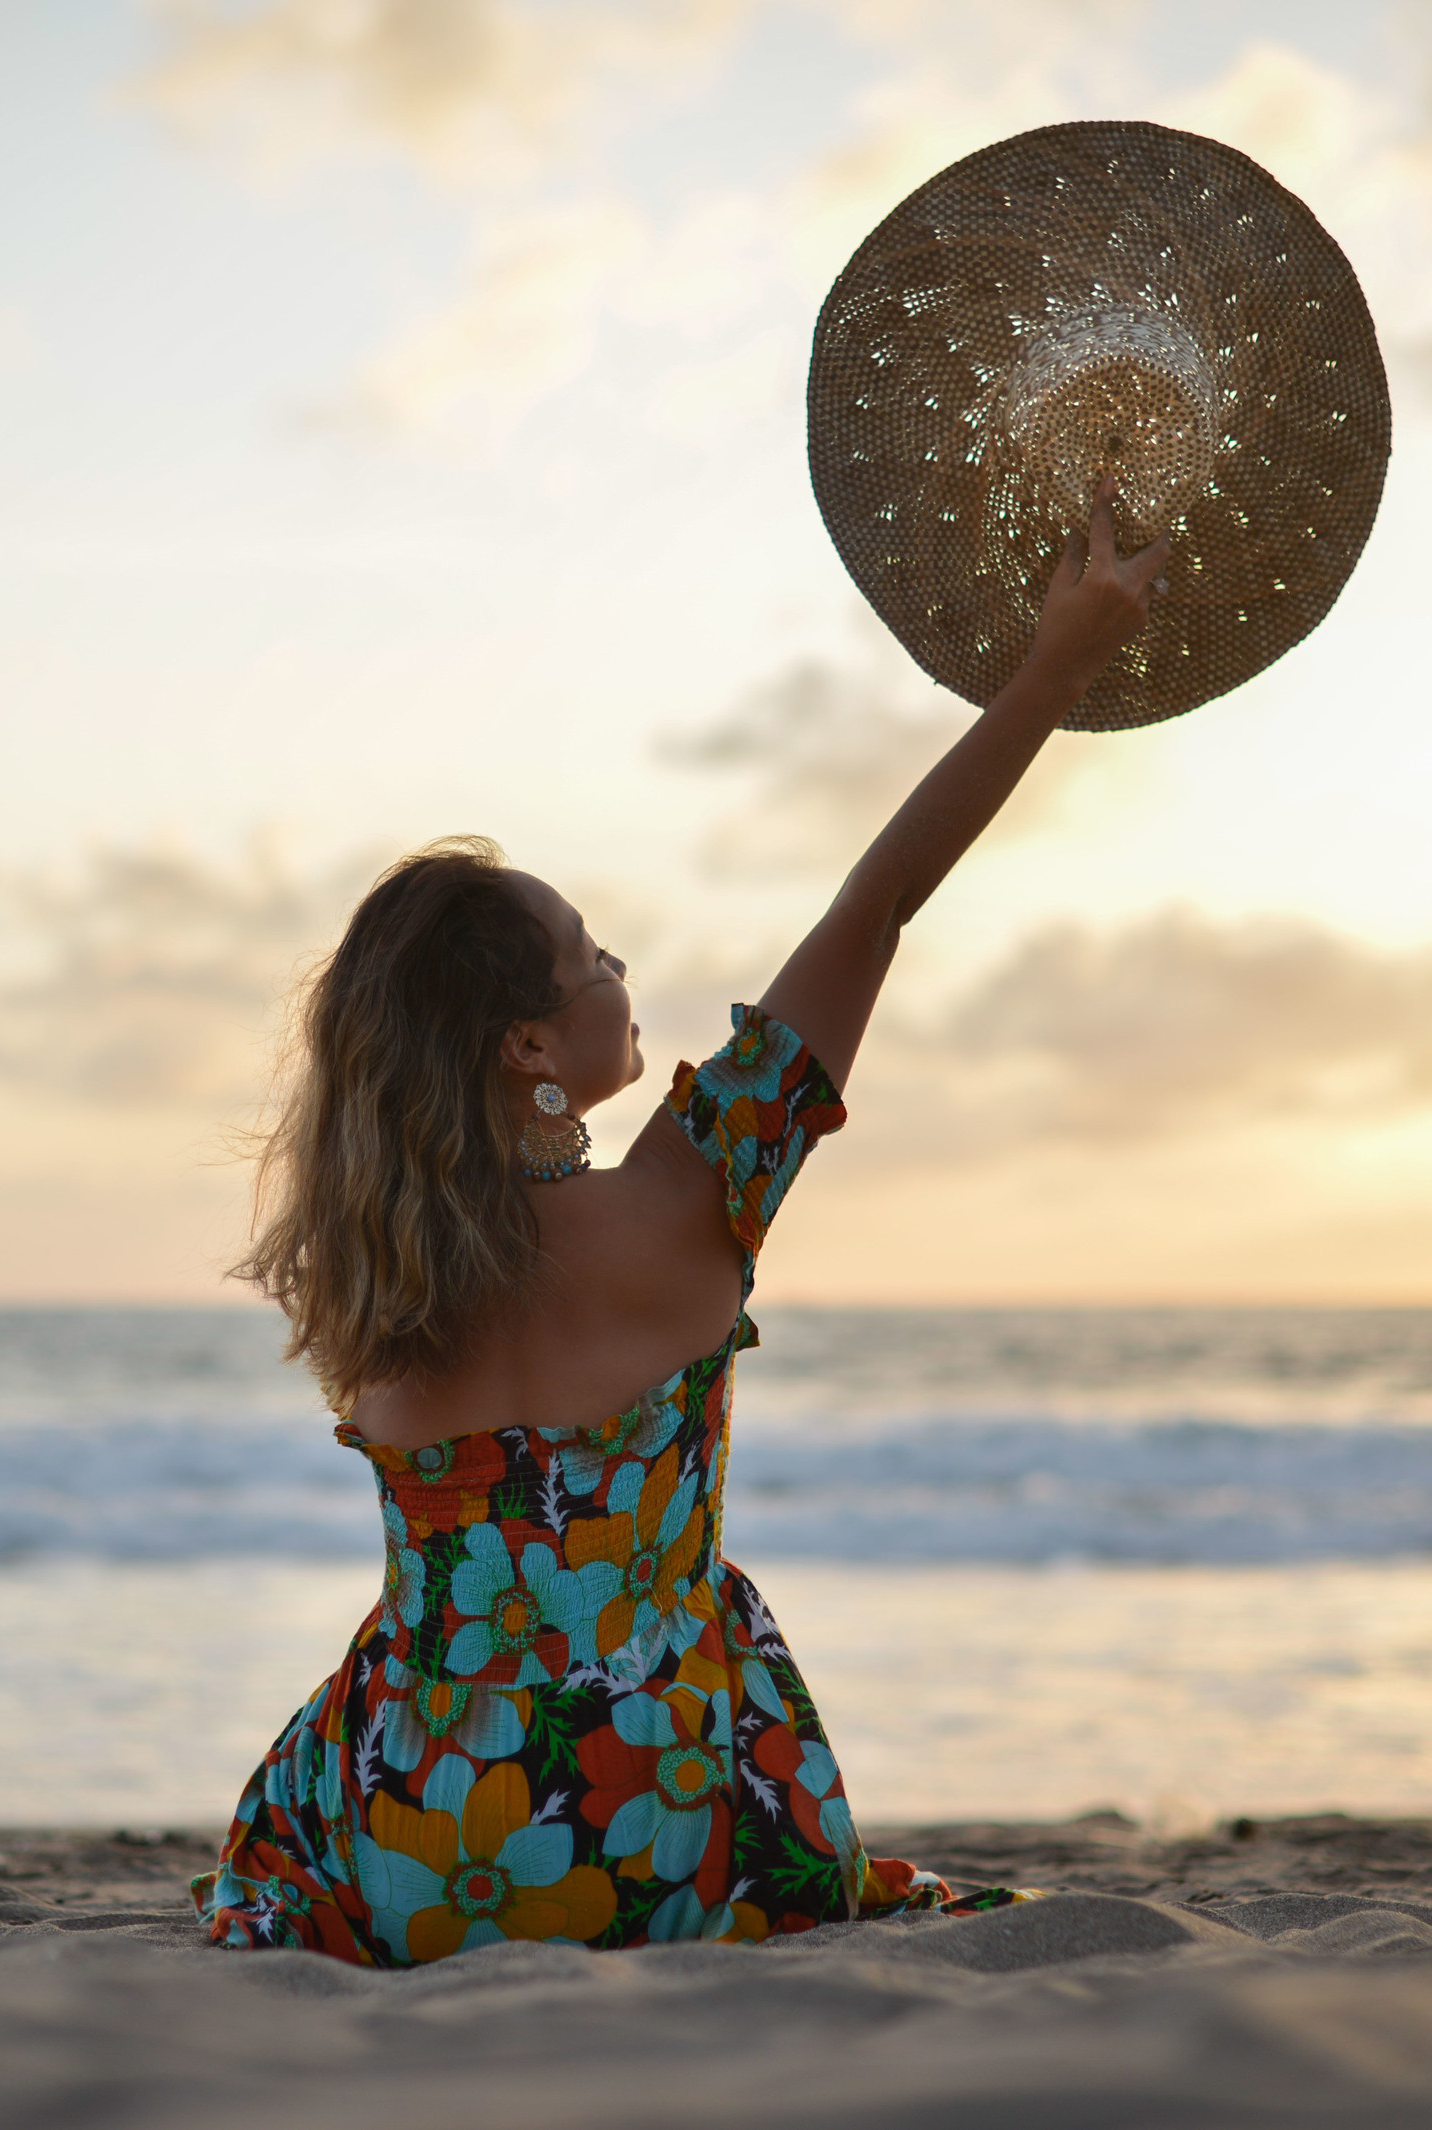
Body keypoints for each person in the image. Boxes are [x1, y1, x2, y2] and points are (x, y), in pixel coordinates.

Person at [194, 491, 1169, 1962]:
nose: (620, 969)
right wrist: (1053, 672)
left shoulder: (375, 1273)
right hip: (662, 1824)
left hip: (416, 1841)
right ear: (530, 1044)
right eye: (591, 954)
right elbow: (881, 900)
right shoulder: (688, 1197)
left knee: (347, 1734)